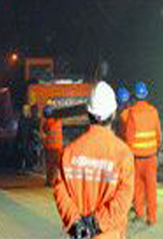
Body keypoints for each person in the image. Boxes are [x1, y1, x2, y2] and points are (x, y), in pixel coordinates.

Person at [54, 81, 134, 239]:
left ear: (88, 113)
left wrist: (75, 221)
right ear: (113, 113)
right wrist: (96, 223)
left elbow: (59, 190)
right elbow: (123, 200)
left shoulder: (70, 152)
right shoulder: (123, 154)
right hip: (109, 234)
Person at [124, 82, 161, 226]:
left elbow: (129, 136)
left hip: (137, 158)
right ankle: (151, 218)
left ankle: (139, 213)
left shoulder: (132, 112)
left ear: (135, 96)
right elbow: (158, 134)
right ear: (146, 95)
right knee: (151, 188)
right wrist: (155, 147)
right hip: (151, 157)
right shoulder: (153, 111)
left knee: (137, 187)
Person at [42, 103, 63, 187]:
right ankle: (54, 181)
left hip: (49, 147)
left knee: (50, 165)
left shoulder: (47, 122)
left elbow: (44, 129)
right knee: (56, 165)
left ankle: (49, 181)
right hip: (57, 146)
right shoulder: (58, 121)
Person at [16, 104, 34, 171]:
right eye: (24, 110)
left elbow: (31, 129)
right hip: (23, 139)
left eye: (26, 110)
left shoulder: (29, 119)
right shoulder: (22, 119)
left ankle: (28, 166)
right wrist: (18, 140)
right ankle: (23, 166)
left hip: (28, 139)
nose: (25, 111)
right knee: (23, 153)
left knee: (27, 153)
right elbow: (19, 130)